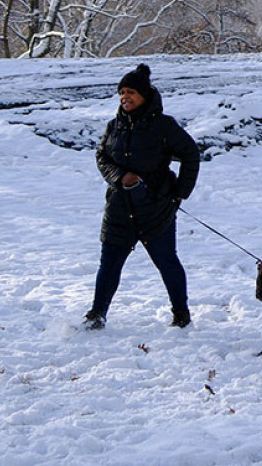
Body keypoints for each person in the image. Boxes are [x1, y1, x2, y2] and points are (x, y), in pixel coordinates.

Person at [84, 63, 200, 330]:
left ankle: (181, 314)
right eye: (122, 92)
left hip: (156, 208)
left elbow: (191, 154)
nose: (125, 97)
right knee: (109, 264)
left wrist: (180, 193)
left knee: (167, 262)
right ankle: (97, 314)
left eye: (131, 92)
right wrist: (119, 177)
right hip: (119, 208)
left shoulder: (164, 126)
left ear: (145, 95)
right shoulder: (114, 126)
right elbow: (101, 157)